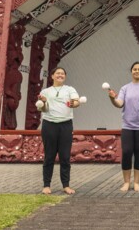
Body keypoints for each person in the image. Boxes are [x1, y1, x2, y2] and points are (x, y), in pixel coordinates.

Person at [108, 61, 139, 192]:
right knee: (126, 152)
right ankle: (126, 182)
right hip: (128, 125)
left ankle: (136, 182)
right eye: (134, 69)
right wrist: (112, 98)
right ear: (131, 71)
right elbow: (119, 103)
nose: (137, 71)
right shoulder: (125, 88)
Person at [37, 66, 81, 195]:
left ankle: (66, 185)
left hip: (65, 125)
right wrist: (43, 102)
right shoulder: (45, 91)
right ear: (52, 76)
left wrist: (74, 103)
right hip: (49, 125)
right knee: (49, 156)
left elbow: (76, 102)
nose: (60, 75)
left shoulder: (70, 89)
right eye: (57, 73)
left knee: (65, 156)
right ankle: (46, 185)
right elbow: (43, 109)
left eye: (62, 74)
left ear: (65, 77)